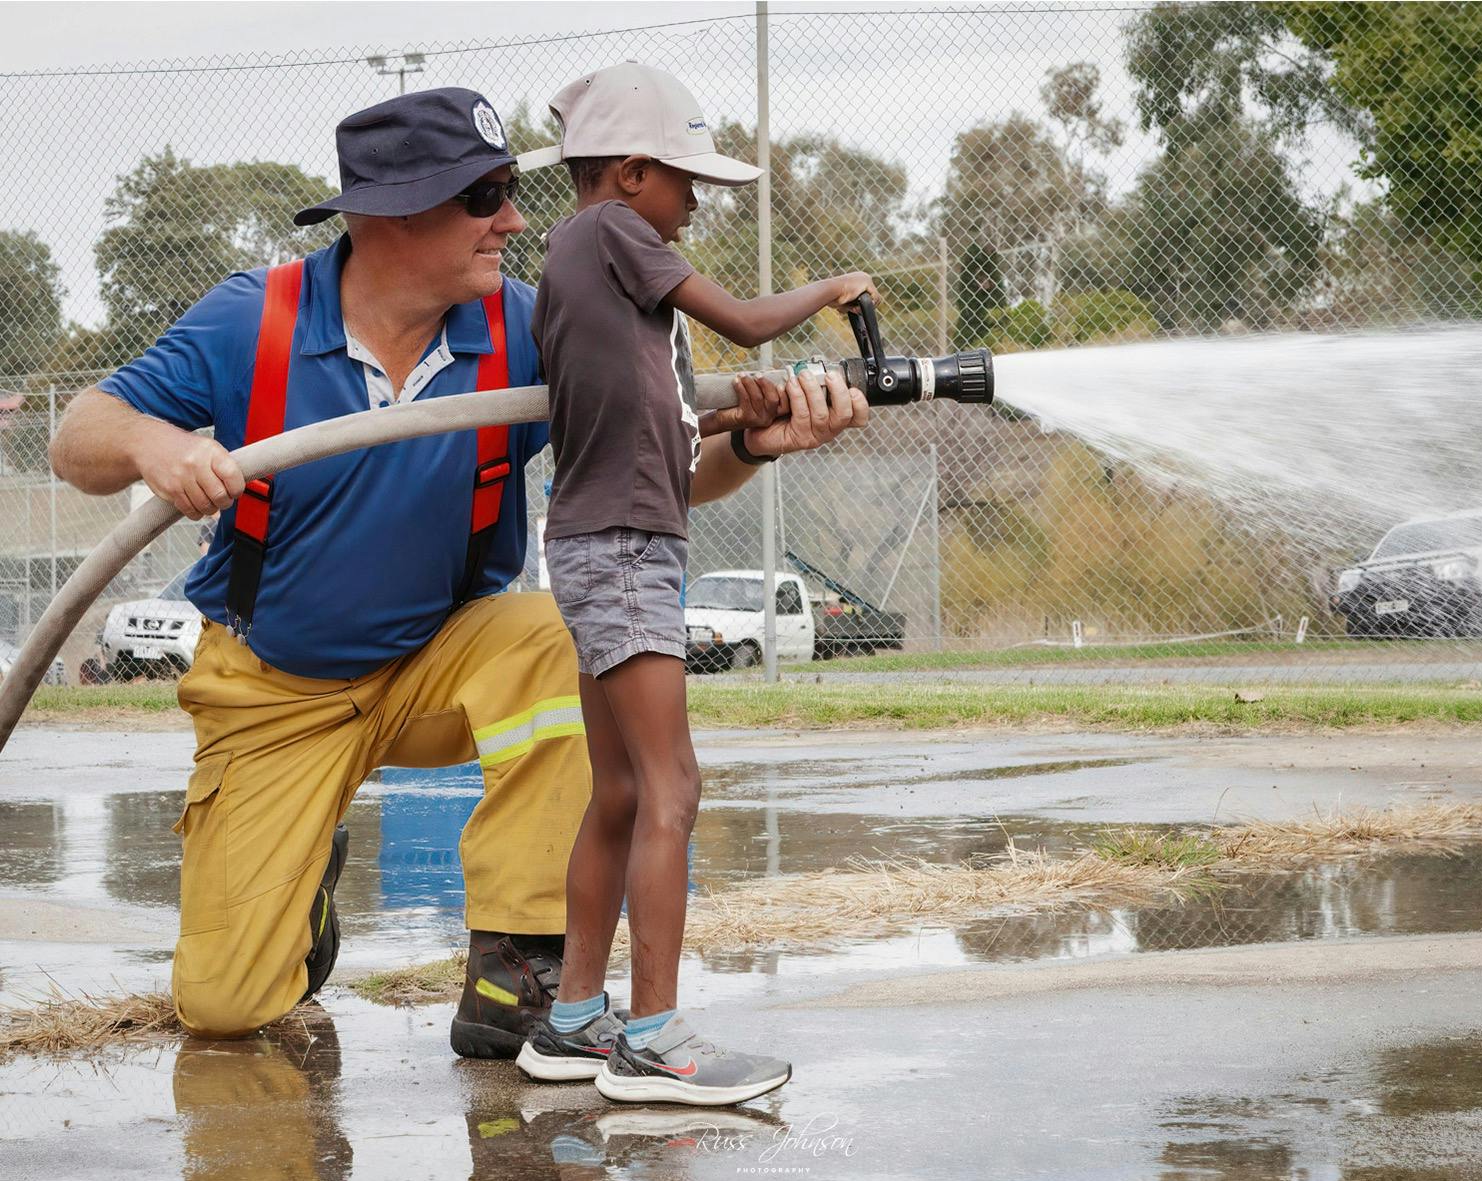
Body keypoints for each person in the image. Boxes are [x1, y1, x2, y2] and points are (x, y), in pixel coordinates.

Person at [47, 86, 867, 1051]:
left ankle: (523, 972)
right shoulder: (252, 320)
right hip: (273, 688)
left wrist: (757, 444)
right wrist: (153, 444)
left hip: (443, 659)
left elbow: (648, 482)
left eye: (512, 189)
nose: (515, 219)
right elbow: (77, 437)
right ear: (392, 215)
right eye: (485, 197)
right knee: (226, 1008)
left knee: (573, 631)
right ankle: (301, 875)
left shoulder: (530, 322)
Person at [512, 62, 873, 1106]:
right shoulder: (615, 235)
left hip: (609, 542)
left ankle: (577, 1021)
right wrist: (832, 289)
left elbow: (653, 437)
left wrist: (739, 429)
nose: (697, 205)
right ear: (628, 173)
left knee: (623, 789)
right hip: (621, 551)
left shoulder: (589, 272)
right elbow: (753, 323)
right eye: (688, 183)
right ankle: (655, 1044)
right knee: (674, 787)